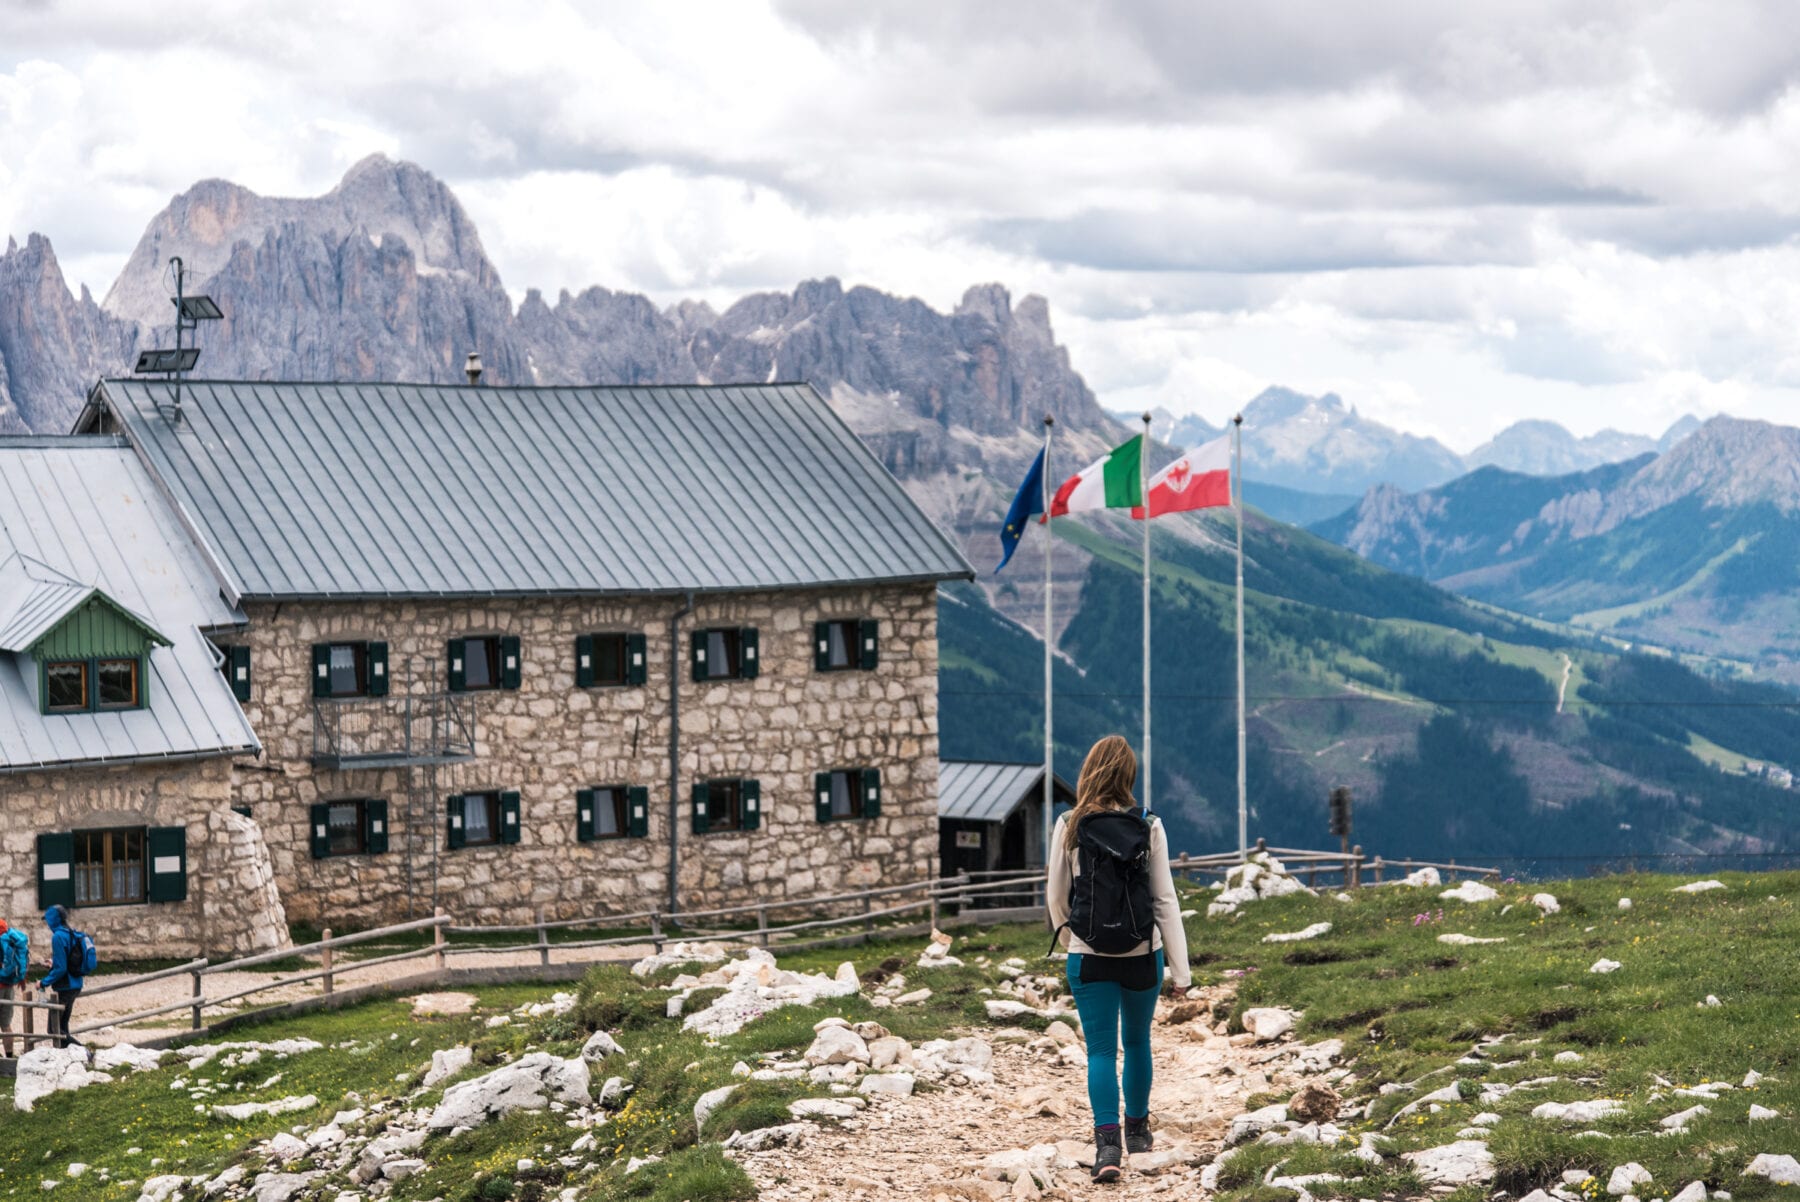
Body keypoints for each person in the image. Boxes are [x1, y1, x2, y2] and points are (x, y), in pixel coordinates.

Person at [1047, 734, 1192, 1184]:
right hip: (1140, 955)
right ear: (1129, 774)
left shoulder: (1070, 823)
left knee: (1101, 1052)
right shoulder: (1149, 824)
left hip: (1088, 957)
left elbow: (1056, 896)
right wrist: (1181, 971)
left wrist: (1078, 935)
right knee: (1138, 1043)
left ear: (1089, 770)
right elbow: (1164, 901)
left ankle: (1107, 1145)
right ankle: (1140, 1131)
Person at [40, 906, 84, 1050]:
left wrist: (43, 982)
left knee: (54, 1030)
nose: (47, 924)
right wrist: (53, 964)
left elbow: (61, 969)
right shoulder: (70, 933)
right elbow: (66, 962)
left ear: (53, 920)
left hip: (65, 987)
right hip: (75, 984)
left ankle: (84, 1052)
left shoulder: (58, 936)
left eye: (47, 920)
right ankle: (69, 1055)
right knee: (62, 1027)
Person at [0, 918, 27, 1058]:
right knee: (5, 1024)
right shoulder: (11, 936)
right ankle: (9, 1056)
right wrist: (21, 978)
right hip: (9, 985)